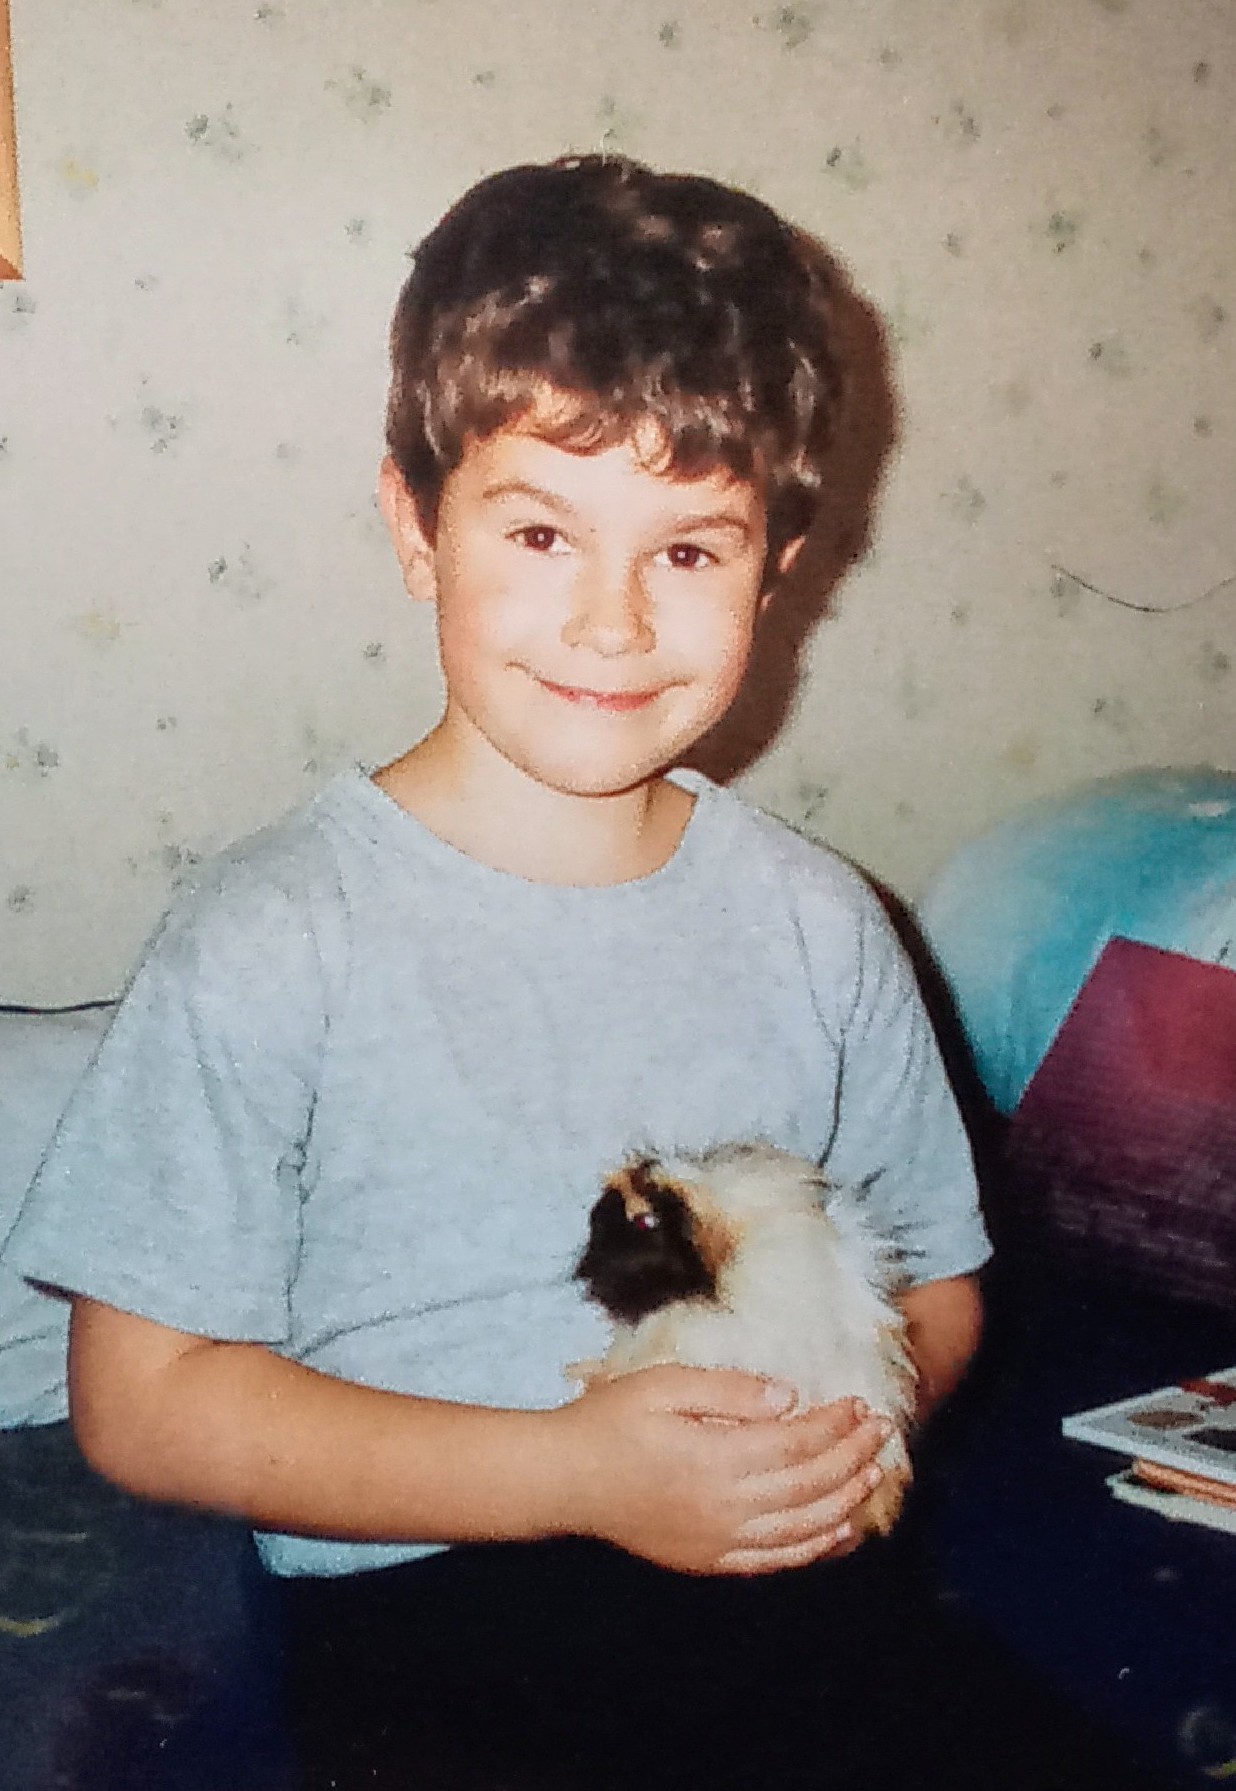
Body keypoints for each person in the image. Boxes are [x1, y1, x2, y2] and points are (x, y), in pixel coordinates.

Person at [2, 156, 1155, 1791]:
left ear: (778, 568)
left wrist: (840, 1437)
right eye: (544, 530)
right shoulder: (273, 936)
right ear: (417, 527)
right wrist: (578, 1473)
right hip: (442, 1619)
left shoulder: (824, 922)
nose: (612, 622)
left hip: (810, 1598)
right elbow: (145, 1402)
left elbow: (941, 1287)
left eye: (688, 552)